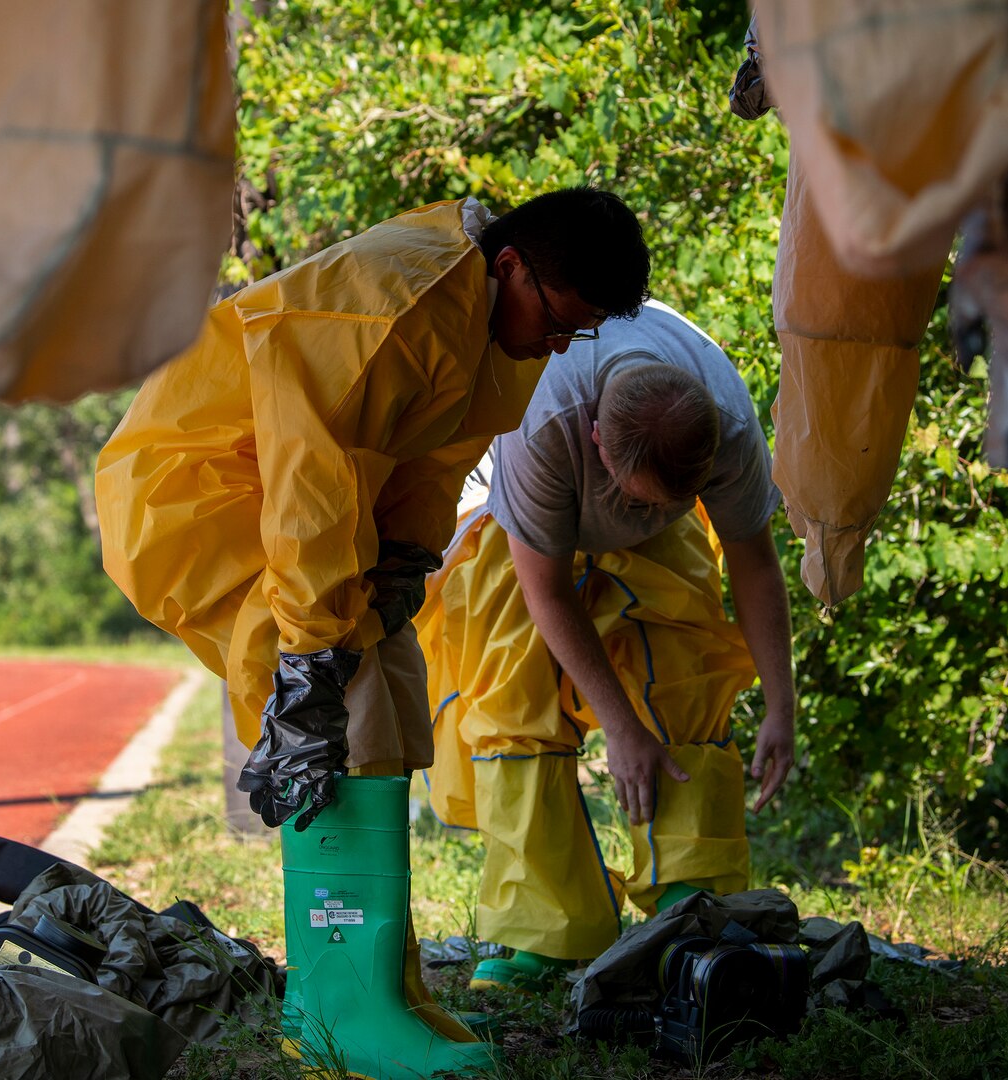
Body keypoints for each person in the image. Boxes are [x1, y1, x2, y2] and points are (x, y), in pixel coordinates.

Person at [97, 188, 650, 1076]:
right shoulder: (393, 309)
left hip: (300, 510)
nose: (557, 347)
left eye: (573, 335)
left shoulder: (486, 318)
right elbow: (307, 485)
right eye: (556, 321)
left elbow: (429, 458)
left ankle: (375, 992)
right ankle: (337, 1015)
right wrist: (311, 654)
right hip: (206, 495)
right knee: (340, 708)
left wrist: (400, 568)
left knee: (386, 692)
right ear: (510, 265)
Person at [414, 298, 796, 994]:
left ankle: (691, 901)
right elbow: (548, 592)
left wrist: (781, 705)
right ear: (594, 440)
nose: (651, 516)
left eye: (668, 504)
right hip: (520, 529)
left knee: (687, 668)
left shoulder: (728, 426)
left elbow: (755, 565)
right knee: (509, 690)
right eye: (642, 501)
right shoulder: (546, 420)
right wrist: (619, 729)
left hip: (631, 489)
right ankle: (542, 930)